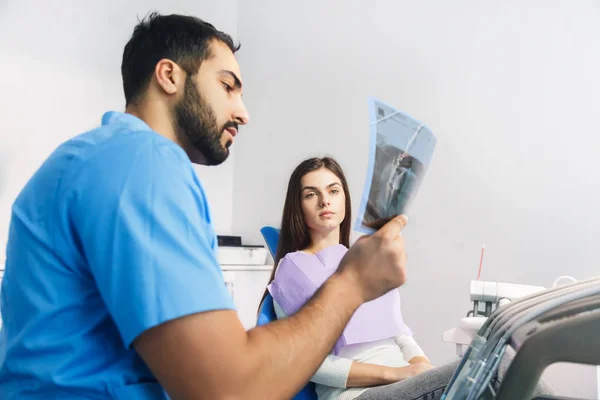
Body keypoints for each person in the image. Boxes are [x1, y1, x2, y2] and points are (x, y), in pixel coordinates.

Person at [0, 13, 410, 400]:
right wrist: (352, 284)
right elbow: (226, 389)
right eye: (228, 86)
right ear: (169, 76)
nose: (243, 113)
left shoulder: (86, 158)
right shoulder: (142, 162)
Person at [262, 157, 555, 400]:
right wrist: (398, 374)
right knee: (500, 367)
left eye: (333, 190)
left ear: (345, 198)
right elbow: (310, 364)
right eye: (311, 194)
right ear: (298, 205)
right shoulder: (293, 270)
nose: (325, 200)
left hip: (405, 383)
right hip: (356, 395)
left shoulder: (367, 259)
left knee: (500, 374)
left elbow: (400, 335)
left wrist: (423, 367)